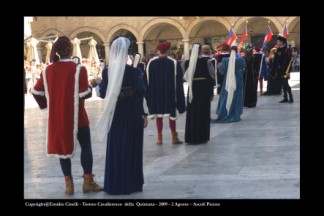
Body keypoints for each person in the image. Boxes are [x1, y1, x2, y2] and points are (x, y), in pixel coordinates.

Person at [31, 36, 103, 195]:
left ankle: (68, 185)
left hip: (58, 119)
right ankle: (88, 182)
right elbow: (84, 94)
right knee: (86, 147)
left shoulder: (47, 70)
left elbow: (35, 91)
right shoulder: (79, 69)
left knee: (62, 150)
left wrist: (48, 105)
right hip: (79, 117)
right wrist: (93, 84)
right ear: (70, 50)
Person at [92, 36, 147, 195]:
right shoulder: (135, 71)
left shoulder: (107, 72)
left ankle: (115, 183)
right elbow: (141, 93)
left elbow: (102, 93)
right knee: (132, 146)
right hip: (132, 112)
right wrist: (144, 114)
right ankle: (133, 182)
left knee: (116, 146)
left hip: (115, 113)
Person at [146, 41, 186, 145]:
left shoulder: (151, 63)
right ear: (168, 50)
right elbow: (178, 80)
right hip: (170, 92)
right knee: (171, 115)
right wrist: (179, 96)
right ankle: (174, 137)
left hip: (157, 93)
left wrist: (150, 95)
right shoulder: (173, 62)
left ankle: (159, 138)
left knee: (159, 115)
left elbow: (147, 80)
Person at [184, 43, 215, 144]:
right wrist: (211, 91)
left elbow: (184, 77)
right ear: (201, 51)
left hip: (192, 89)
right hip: (203, 90)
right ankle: (202, 137)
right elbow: (212, 77)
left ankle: (191, 136)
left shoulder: (187, 63)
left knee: (192, 112)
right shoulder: (207, 62)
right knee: (203, 112)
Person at [210, 43, 246, 123]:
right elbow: (244, 67)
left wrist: (220, 66)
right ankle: (236, 113)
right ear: (237, 51)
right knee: (237, 96)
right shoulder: (240, 59)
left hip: (228, 79)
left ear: (229, 51)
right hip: (238, 79)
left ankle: (225, 111)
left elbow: (222, 72)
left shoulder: (225, 60)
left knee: (226, 95)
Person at [275, 34, 293, 103]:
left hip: (285, 70)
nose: (277, 42)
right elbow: (277, 59)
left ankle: (291, 97)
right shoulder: (279, 49)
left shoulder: (286, 49)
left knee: (286, 84)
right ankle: (285, 98)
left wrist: (284, 68)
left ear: (282, 42)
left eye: (278, 41)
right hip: (280, 70)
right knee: (283, 84)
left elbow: (288, 60)